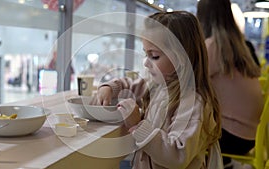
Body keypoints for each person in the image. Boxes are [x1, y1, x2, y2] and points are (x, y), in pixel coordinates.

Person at [93, 11, 223, 169]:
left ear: (181, 58)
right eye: (145, 54)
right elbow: (129, 85)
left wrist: (137, 125)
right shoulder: (158, 85)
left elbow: (177, 156)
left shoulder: (193, 103)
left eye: (154, 56)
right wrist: (110, 88)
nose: (146, 63)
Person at [196, 0, 264, 168]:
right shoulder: (239, 46)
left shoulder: (212, 47)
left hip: (231, 137)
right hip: (251, 136)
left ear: (202, 18)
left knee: (176, 132)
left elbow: (188, 84)